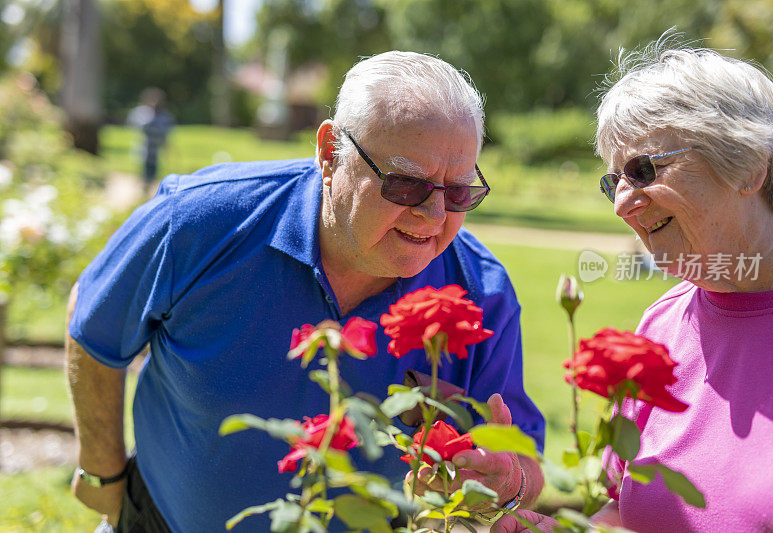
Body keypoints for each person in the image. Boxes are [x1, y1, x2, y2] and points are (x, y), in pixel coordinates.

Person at [67, 51, 546, 533]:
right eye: (406, 185)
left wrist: (510, 480)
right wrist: (102, 472)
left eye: (459, 193)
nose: (436, 215)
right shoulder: (200, 221)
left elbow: (525, 461)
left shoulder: (481, 294)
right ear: (330, 151)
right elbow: (93, 323)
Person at [493, 39, 773, 533]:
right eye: (612, 181)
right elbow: (628, 508)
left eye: (643, 170)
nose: (620, 204)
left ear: (747, 164)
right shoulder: (662, 327)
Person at [126, 87, 174, 185]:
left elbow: (167, 130)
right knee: (143, 168)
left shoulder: (165, 116)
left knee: (154, 168)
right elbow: (137, 126)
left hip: (156, 147)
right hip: (144, 146)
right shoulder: (141, 113)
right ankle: (143, 186)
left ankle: (149, 185)